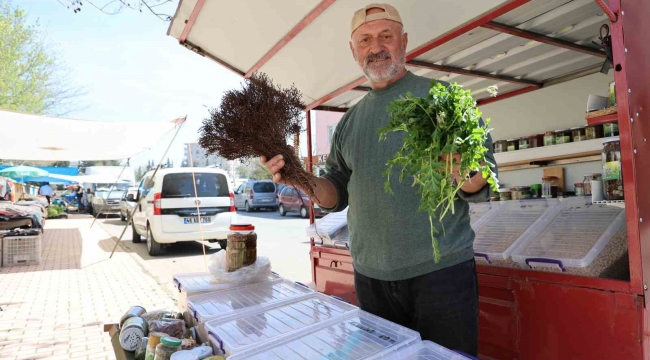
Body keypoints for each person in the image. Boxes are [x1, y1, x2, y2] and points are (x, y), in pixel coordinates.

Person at [262, 4, 498, 356]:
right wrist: (298, 177)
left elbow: (481, 180)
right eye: (366, 39)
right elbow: (334, 194)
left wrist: (462, 172)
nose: (376, 47)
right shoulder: (350, 121)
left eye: (386, 36)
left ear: (403, 41)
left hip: (441, 274)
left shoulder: (444, 99)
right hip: (371, 277)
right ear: (353, 49)